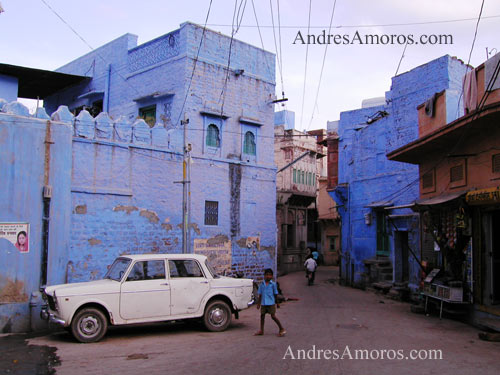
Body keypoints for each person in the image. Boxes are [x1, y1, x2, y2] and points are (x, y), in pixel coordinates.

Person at [254, 268, 286, 337]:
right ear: (264, 276)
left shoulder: (273, 284)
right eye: (266, 275)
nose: (268, 276)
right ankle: (261, 330)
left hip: (271, 303)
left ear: (272, 276)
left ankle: (281, 328)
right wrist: (258, 304)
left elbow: (275, 294)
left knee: (273, 316)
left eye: (269, 275)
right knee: (262, 316)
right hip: (263, 303)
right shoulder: (262, 285)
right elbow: (260, 295)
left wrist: (277, 303)